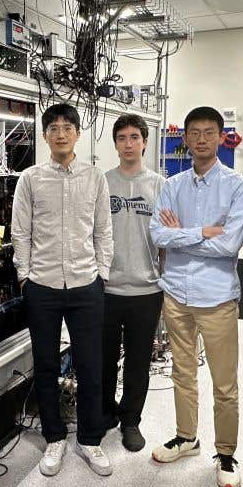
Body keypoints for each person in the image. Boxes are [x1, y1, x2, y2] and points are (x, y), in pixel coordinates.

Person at [149, 106, 243, 487]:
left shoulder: (238, 187)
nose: (202, 139)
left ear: (221, 137)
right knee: (182, 372)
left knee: (225, 382)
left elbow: (228, 246)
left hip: (217, 298)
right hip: (176, 293)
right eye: (195, 132)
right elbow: (157, 235)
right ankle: (186, 437)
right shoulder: (172, 185)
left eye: (210, 132)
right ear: (186, 139)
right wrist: (202, 232)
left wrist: (182, 236)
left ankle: (226, 453)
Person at [11, 102, 114, 477]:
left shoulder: (94, 177)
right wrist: (25, 276)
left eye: (67, 127)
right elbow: (20, 231)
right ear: (45, 135)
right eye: (53, 128)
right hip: (43, 285)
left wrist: (102, 274)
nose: (60, 134)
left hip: (87, 284)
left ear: (77, 134)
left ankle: (89, 439)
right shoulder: (30, 179)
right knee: (46, 365)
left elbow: (103, 230)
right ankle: (54, 437)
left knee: (90, 365)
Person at [101, 114, 165, 452]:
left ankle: (130, 420)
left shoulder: (160, 186)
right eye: (122, 138)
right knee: (103, 358)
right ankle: (105, 413)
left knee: (138, 361)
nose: (128, 144)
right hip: (106, 289)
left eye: (134, 137)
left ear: (144, 142)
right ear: (115, 144)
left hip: (147, 289)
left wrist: (165, 280)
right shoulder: (102, 183)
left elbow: (167, 239)